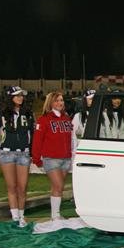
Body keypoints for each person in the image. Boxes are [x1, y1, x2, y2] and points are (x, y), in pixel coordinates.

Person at [0, 86, 35, 227]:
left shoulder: (28, 113)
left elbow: (33, 134)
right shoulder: (1, 114)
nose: (20, 98)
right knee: (11, 186)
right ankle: (15, 217)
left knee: (22, 187)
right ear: (10, 97)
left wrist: (32, 152)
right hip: (7, 153)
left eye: (21, 95)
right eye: (17, 95)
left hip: (24, 153)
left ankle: (22, 216)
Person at [32, 91, 73, 220]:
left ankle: (56, 214)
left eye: (61, 100)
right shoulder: (44, 120)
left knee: (57, 187)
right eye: (57, 100)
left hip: (66, 159)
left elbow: (71, 139)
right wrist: (36, 158)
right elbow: (37, 140)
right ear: (50, 103)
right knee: (59, 185)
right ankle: (55, 215)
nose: (60, 103)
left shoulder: (66, 118)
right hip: (51, 158)